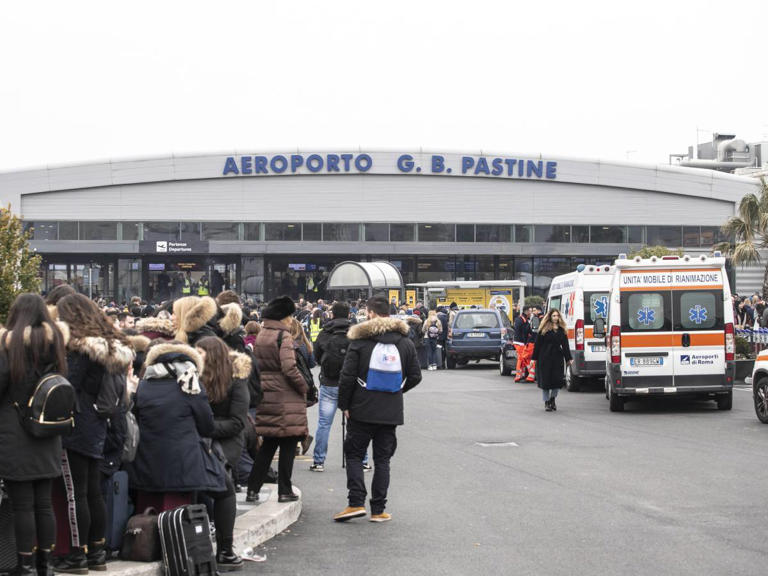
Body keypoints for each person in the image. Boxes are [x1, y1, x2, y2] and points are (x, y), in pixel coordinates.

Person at [129, 340, 243, 571]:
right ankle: (225, 551)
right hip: (184, 462)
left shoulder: (144, 385)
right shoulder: (191, 384)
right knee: (226, 489)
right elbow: (206, 426)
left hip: (146, 463)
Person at [54, 294, 134, 574]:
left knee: (75, 495)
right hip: (100, 424)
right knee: (92, 492)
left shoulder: (78, 348)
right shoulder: (111, 347)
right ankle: (96, 553)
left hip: (75, 424)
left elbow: (67, 384)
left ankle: (77, 556)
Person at [334, 295, 422, 523]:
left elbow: (347, 377)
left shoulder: (360, 342)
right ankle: (378, 510)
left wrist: (344, 404)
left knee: (354, 454)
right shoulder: (405, 342)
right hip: (390, 410)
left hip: (361, 409)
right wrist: (397, 391)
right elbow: (415, 376)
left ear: (371, 313)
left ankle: (355, 503)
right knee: (383, 460)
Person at [0, 294, 69, 576]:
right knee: (44, 502)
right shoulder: (56, 344)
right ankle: (46, 564)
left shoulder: (9, 345)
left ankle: (25, 565)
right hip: (48, 432)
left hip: (14, 433)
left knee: (22, 505)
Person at [246, 297, 307, 503]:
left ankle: (253, 489)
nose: (292, 320)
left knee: (268, 444)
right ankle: (284, 490)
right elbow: (289, 368)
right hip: (285, 394)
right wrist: (303, 386)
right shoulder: (284, 336)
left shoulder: (262, 334)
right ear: (284, 316)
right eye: (290, 316)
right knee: (289, 442)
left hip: (267, 392)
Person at [531, 309, 572, 412]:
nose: (555, 318)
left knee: (557, 381)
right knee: (546, 382)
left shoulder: (562, 330)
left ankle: (552, 399)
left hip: (557, 358)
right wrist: (533, 359)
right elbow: (537, 345)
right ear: (550, 317)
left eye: (557, 316)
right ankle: (546, 402)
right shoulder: (543, 330)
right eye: (553, 316)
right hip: (544, 358)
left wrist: (568, 358)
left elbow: (565, 346)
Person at [512, 306, 533, 382]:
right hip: (520, 342)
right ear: (526, 312)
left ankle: (521, 375)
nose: (531, 313)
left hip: (519, 342)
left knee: (522, 358)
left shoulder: (520, 319)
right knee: (521, 358)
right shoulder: (523, 320)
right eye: (530, 311)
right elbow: (525, 332)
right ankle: (518, 376)